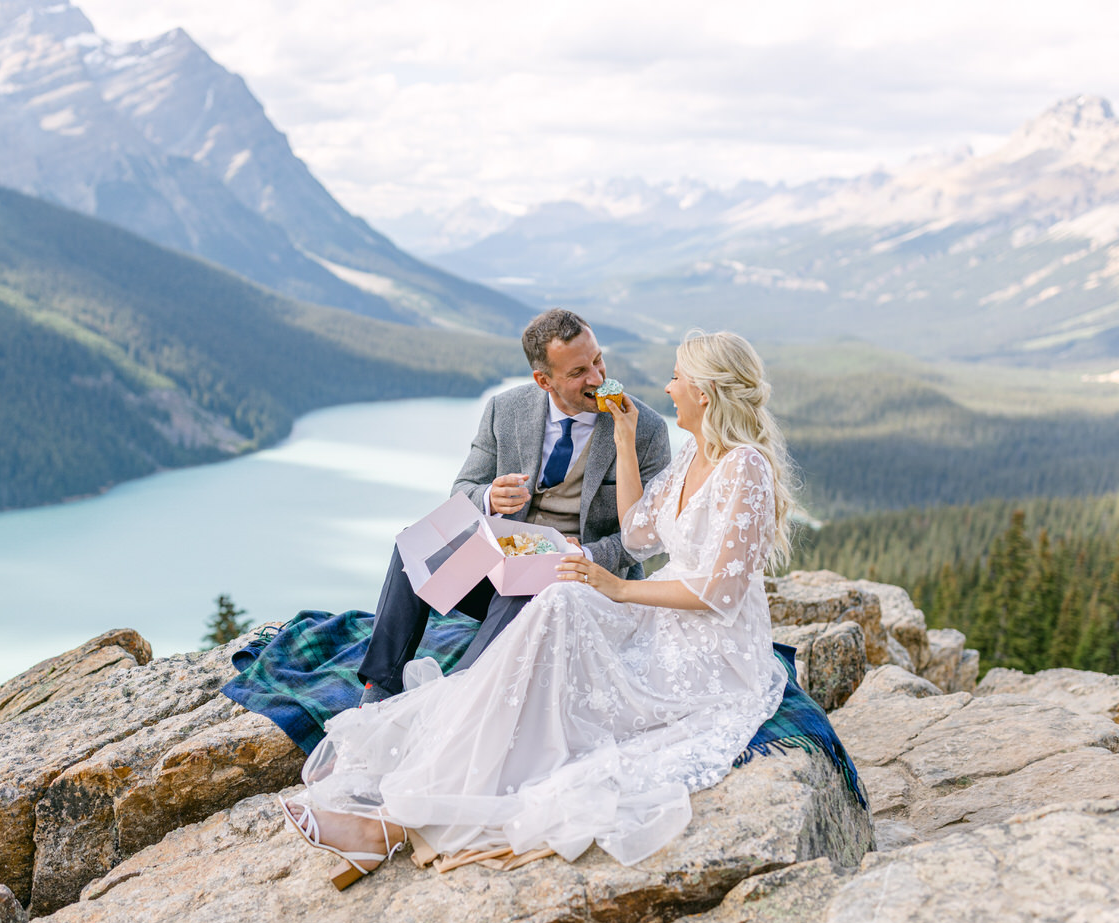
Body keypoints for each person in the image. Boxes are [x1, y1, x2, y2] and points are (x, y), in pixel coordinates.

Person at [283, 330, 797, 887]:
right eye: (582, 370)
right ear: (543, 378)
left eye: (677, 376)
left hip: (708, 644)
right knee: (511, 581)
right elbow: (642, 531)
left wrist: (614, 587)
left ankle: (388, 824)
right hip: (627, 599)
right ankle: (399, 717)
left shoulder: (742, 466)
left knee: (559, 599)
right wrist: (615, 447)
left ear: (704, 392)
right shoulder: (689, 450)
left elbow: (717, 593)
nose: (665, 387)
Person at [354, 308, 671, 704]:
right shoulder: (504, 410)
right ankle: (379, 686)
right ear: (544, 381)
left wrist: (586, 555)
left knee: (524, 587)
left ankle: (455, 700)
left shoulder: (647, 428)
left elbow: (647, 539)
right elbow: (463, 489)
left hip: (582, 584)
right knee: (410, 547)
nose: (597, 378)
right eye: (577, 373)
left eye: (597, 360)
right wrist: (488, 497)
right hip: (502, 565)